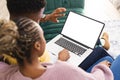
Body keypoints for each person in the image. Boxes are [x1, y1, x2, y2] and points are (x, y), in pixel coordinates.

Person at [5, 0, 113, 70]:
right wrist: (61, 62)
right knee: (103, 54)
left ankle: (102, 42)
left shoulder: (6, 32)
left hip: (55, 60)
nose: (40, 21)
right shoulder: (25, 50)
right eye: (38, 20)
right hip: (59, 66)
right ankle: (103, 43)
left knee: (85, 38)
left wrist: (46, 17)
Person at [0, 17, 113, 80]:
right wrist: (101, 68)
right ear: (38, 46)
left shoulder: (7, 73)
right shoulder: (64, 70)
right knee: (107, 57)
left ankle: (103, 42)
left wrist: (59, 62)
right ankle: (104, 42)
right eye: (43, 36)